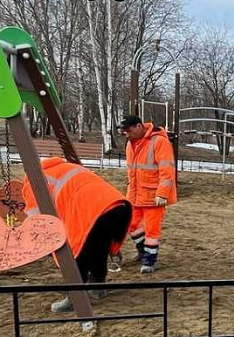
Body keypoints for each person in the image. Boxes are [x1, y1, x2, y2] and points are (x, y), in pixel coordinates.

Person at [21, 158, 132, 312]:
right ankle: (98, 286)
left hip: (91, 211)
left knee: (78, 252)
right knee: (99, 247)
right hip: (118, 205)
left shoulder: (34, 182)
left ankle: (75, 297)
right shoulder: (67, 167)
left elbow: (38, 219)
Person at [118, 115, 177, 273]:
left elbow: (167, 171)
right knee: (131, 224)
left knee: (152, 230)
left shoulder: (159, 141)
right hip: (135, 193)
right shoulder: (131, 143)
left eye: (129, 131)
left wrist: (162, 194)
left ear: (138, 126)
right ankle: (143, 251)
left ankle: (149, 261)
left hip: (154, 196)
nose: (127, 134)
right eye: (125, 132)